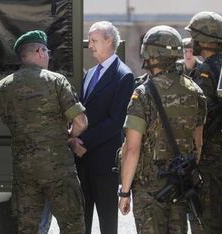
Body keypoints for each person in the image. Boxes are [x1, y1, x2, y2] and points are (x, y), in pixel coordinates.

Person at [0, 30, 87, 233]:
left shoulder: (5, 86)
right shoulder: (57, 82)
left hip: (25, 173)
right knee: (72, 226)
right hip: (59, 171)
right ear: (39, 51)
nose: (49, 56)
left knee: (27, 227)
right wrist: (68, 135)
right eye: (47, 51)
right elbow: (81, 122)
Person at [118, 25, 207, 233]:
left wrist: (124, 192)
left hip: (150, 189)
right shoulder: (196, 92)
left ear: (150, 54)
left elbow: (132, 148)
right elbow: (198, 145)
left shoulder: (143, 94)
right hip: (180, 184)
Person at [69, 21, 134, 234]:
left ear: (109, 41)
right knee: (82, 221)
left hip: (105, 162)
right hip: (83, 161)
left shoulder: (123, 75)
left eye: (95, 41)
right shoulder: (90, 74)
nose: (90, 46)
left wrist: (84, 143)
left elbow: (115, 121)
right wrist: (73, 139)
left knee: (107, 223)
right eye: (89, 41)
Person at [185, 11, 222, 233]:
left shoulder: (205, 71)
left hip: (209, 154)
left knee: (208, 220)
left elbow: (201, 113)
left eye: (194, 37)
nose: (192, 42)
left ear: (204, 40)